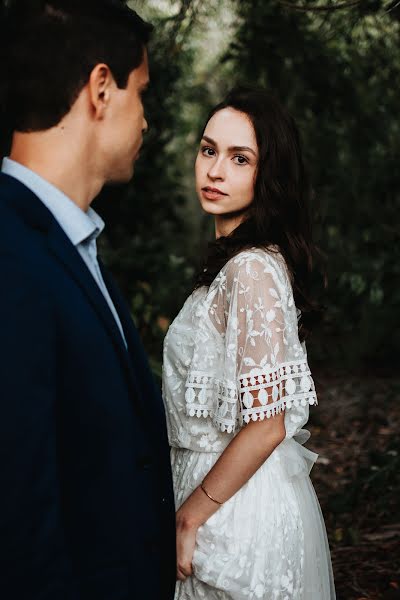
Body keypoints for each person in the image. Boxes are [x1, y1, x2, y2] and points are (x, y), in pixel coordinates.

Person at [0, 1, 176, 599]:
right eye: (143, 92)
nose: (147, 121)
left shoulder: (71, 241)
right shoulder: (11, 259)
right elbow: (19, 521)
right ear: (102, 89)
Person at [162, 87, 336, 599]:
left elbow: (266, 425)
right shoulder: (232, 266)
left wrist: (191, 516)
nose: (215, 171)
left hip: (231, 509)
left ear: (269, 176)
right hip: (216, 491)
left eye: (240, 159)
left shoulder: (251, 269)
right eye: (209, 149)